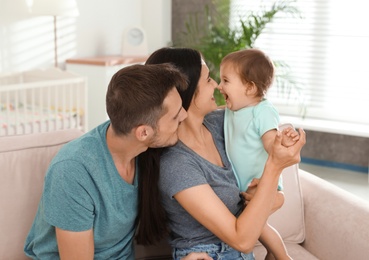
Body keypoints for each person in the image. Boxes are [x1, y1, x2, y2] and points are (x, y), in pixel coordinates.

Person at [136, 47, 306, 259]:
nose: (217, 85)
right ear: (185, 92)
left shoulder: (224, 123)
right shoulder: (176, 163)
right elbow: (242, 239)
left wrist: (274, 192)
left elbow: (260, 116)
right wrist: (275, 167)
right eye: (208, 79)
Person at [23, 64, 190, 259]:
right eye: (175, 116)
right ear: (143, 132)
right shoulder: (73, 171)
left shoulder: (144, 151)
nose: (184, 116)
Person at [218, 48, 300, 260]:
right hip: (247, 189)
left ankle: (284, 257)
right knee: (258, 226)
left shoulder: (262, 111)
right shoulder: (233, 108)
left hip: (263, 188)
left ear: (249, 87)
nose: (219, 86)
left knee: (257, 226)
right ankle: (274, 255)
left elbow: (271, 144)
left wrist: (283, 141)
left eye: (226, 81)